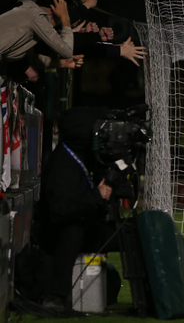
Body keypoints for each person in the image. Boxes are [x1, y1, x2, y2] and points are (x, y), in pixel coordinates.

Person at [33, 107, 116, 311]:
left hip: (88, 224)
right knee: (73, 229)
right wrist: (96, 196)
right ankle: (56, 296)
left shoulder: (83, 157)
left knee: (132, 229)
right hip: (56, 236)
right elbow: (60, 211)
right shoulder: (62, 163)